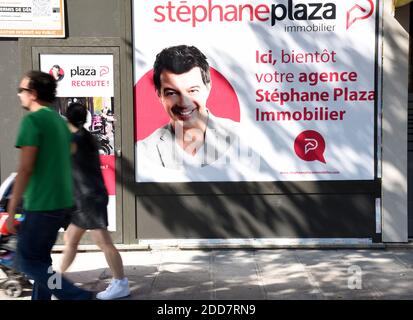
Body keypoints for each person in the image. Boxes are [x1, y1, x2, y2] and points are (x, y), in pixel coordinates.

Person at [6, 70, 93, 300]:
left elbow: (25, 169)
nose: (19, 95)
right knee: (42, 264)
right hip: (61, 204)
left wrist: (12, 208)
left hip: (41, 204)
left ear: (33, 94)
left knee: (27, 262)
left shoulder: (33, 121)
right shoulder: (59, 121)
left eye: (22, 90)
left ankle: (77, 296)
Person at [60, 102, 130, 300]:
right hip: (87, 197)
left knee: (103, 242)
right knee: (70, 240)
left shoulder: (76, 139)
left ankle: (120, 282)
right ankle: (57, 283)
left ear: (67, 118)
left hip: (89, 198)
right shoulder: (85, 136)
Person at [136, 45, 240, 170]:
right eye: (172, 93)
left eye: (192, 90)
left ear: (208, 87)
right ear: (159, 95)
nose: (184, 103)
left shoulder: (239, 135)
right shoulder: (143, 151)